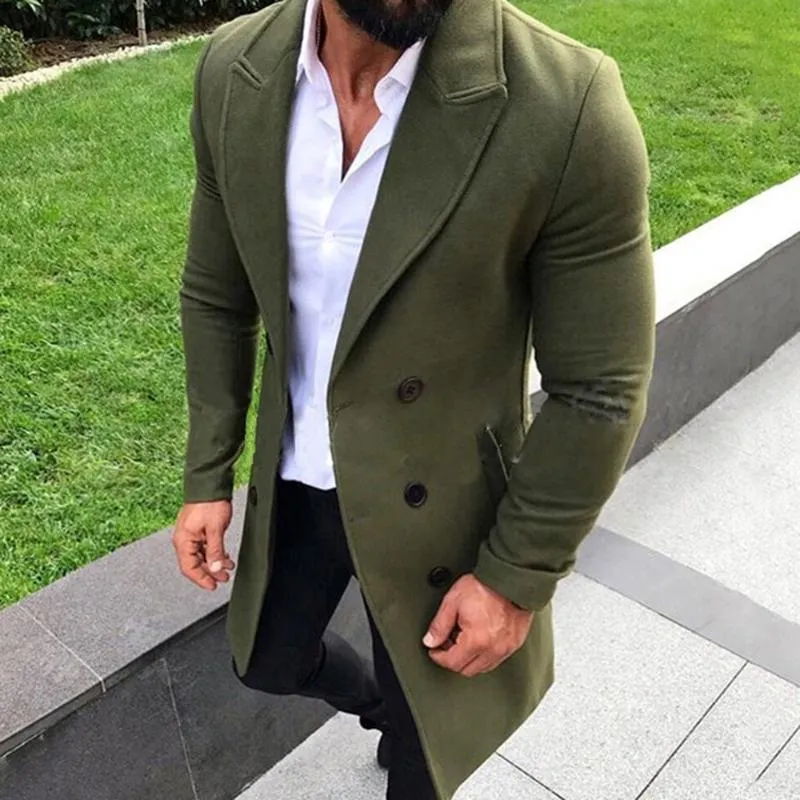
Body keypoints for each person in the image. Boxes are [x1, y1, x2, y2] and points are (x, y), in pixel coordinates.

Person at [171, 0, 656, 795]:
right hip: (300, 481)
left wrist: (514, 576)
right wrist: (208, 475)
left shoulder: (567, 104)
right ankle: (380, 710)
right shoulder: (236, 69)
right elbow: (216, 295)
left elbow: (600, 387)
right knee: (268, 660)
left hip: (444, 510)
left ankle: (406, 727)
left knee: (425, 762)